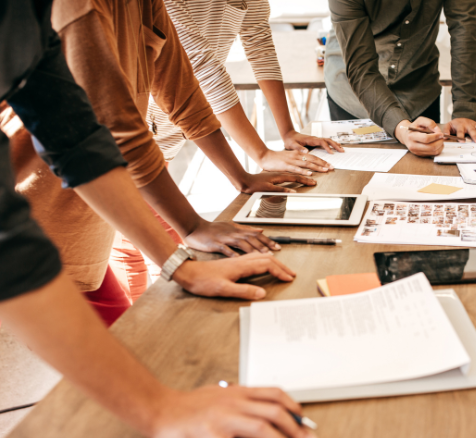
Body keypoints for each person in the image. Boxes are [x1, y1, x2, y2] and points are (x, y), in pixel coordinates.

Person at [0, 0, 316, 438]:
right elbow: (2, 229)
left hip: (49, 224)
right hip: (20, 215)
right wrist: (157, 409)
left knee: (143, 346)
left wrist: (182, 260)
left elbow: (76, 136)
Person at [43, 0, 316, 302]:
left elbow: (182, 88)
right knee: (137, 258)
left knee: (132, 279)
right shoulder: (79, 8)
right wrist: (187, 242)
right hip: (54, 190)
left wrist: (242, 174)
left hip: (117, 165)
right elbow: (118, 124)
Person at [148, 0, 345, 178]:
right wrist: (262, 154)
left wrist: (287, 132)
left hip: (171, 130)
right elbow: (202, 66)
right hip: (140, 126)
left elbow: (260, 46)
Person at [325, 0, 476, 157]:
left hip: (418, 89)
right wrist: (401, 127)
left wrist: (464, 111)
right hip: (354, 97)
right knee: (356, 180)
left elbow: (464, 33)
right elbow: (362, 68)